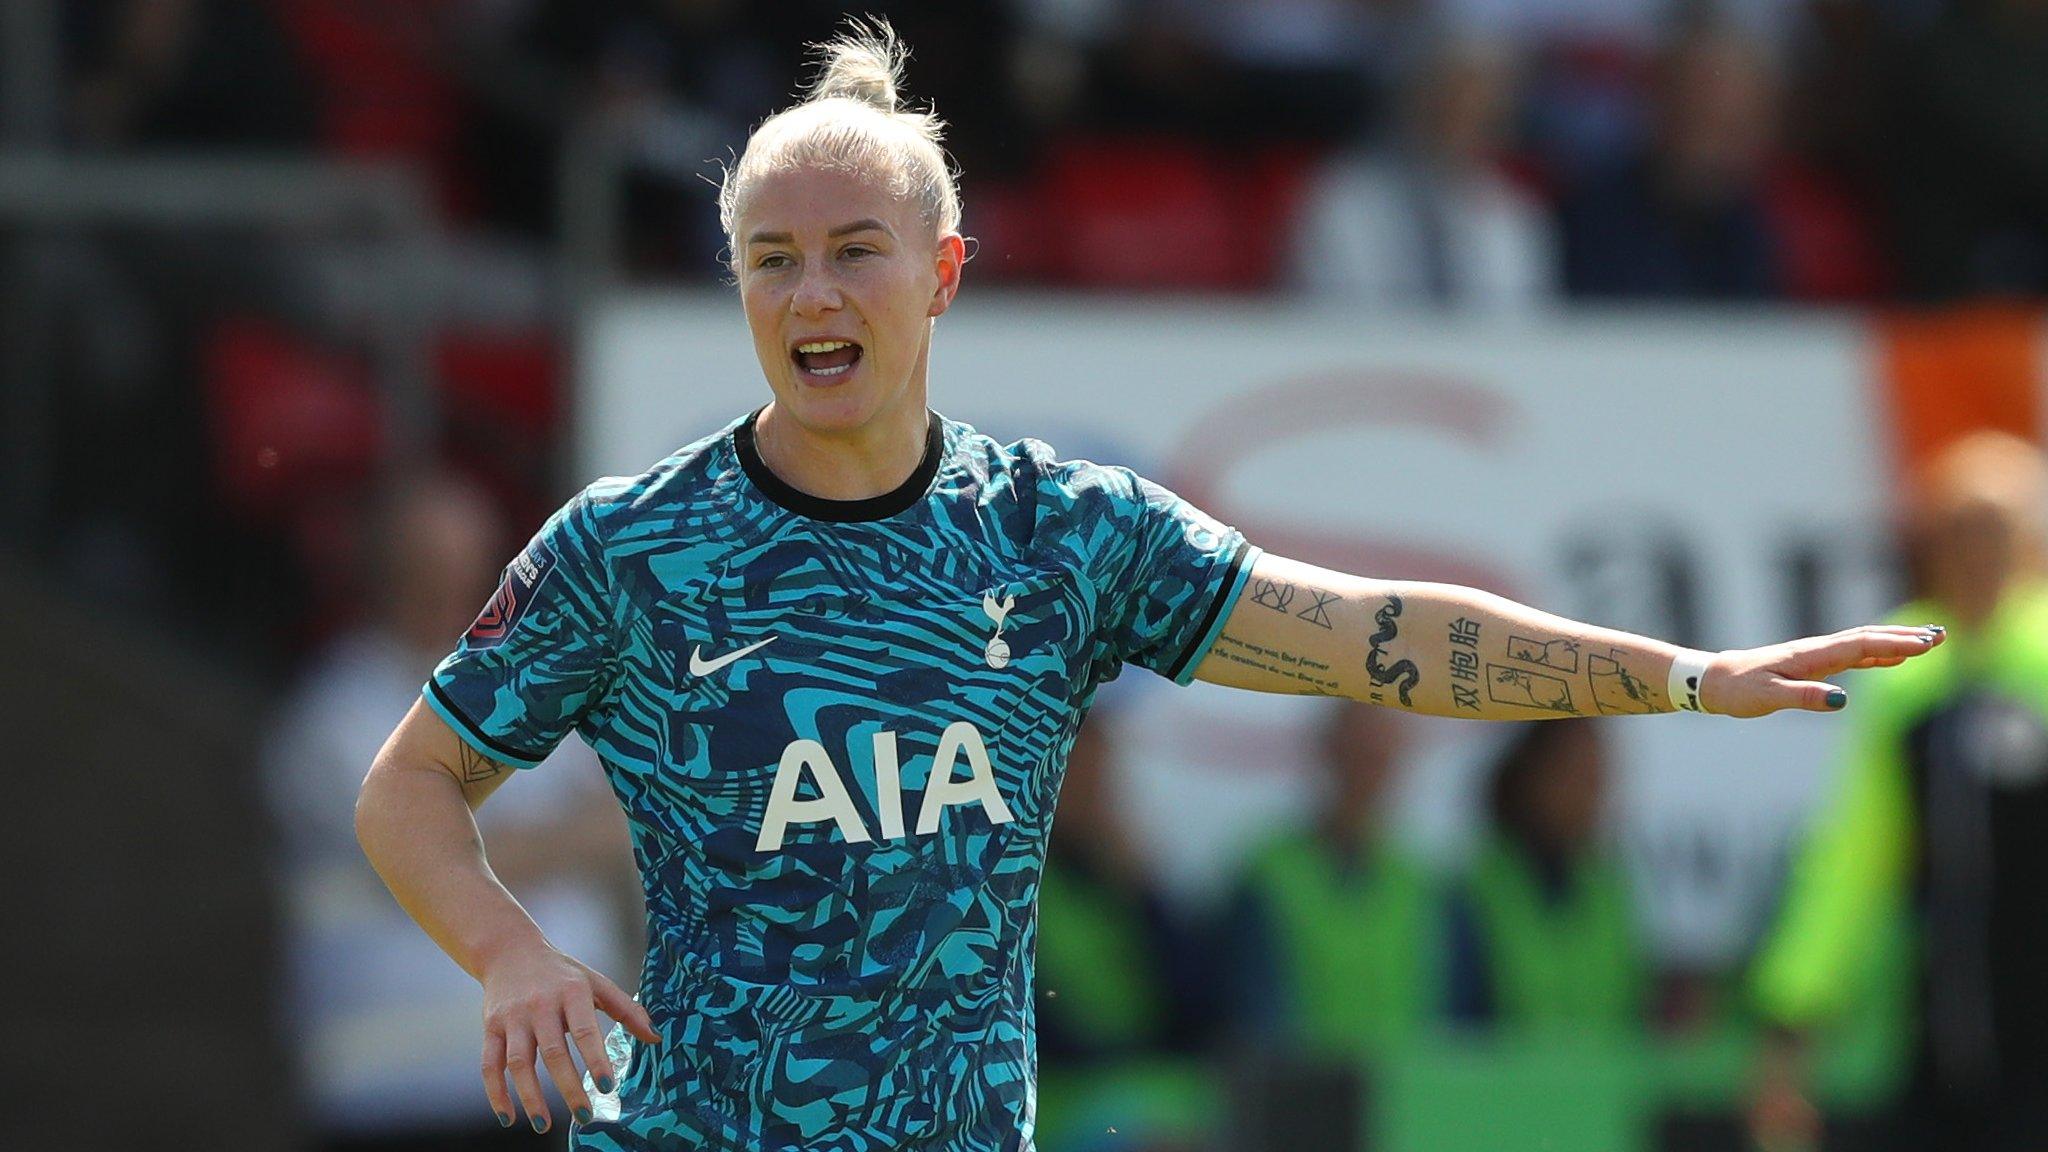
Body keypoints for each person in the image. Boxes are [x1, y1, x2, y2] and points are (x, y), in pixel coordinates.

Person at [352, 19, 1946, 1151]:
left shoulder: (1064, 532)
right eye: (772, 257)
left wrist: (1677, 675)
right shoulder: (630, 549)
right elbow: (414, 784)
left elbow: (1385, 642)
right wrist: (509, 949)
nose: (813, 290)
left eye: (855, 248)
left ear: (945, 270)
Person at [268, 473, 639, 1151]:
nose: (448, 589)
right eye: (423, 567)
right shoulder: (337, 714)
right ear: (378, 573)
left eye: (467, 567)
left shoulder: (535, 687)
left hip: (558, 1095)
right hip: (396, 1106)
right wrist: (573, 835)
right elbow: (427, 854)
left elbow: (628, 822)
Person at [1748, 431, 2048, 1152]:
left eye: (1995, 531)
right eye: (1957, 532)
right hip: (1935, 1050)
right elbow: (1851, 862)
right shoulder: (1905, 684)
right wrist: (1794, 1019)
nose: (1977, 554)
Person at [1228, 703, 1435, 1055]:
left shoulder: (1421, 885)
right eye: (1357, 754)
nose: (1366, 773)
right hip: (1300, 1093)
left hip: (1407, 1093)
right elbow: (1252, 1014)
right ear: (1328, 754)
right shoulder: (1268, 875)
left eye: (1378, 757)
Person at [1447, 719, 1644, 1035]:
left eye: (1597, 778)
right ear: (1530, 775)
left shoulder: (1611, 893)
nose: (1589, 796)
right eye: (1574, 776)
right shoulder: (1474, 893)